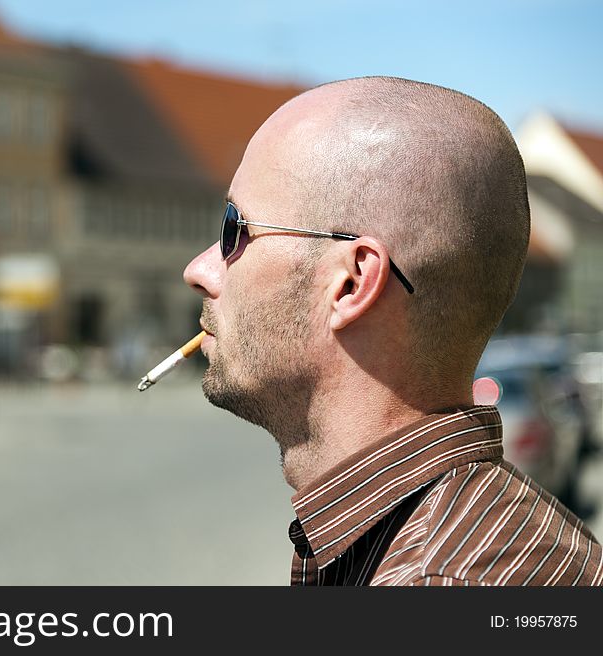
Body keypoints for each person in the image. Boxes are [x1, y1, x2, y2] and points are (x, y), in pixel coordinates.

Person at [182, 76, 602, 586]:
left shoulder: (437, 582)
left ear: (351, 283)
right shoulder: (495, 532)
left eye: (235, 229)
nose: (200, 269)